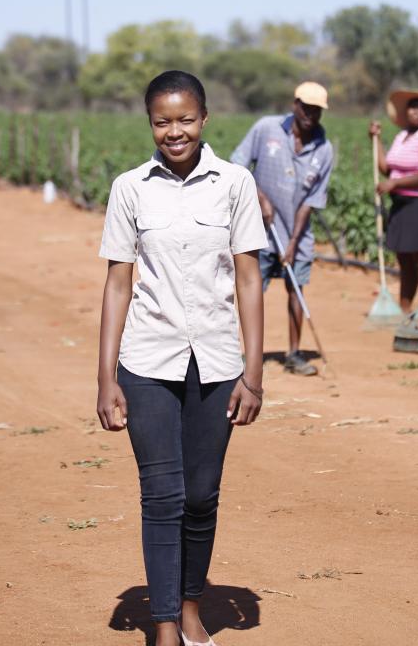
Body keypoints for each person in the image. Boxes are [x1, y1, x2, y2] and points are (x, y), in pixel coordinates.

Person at [96, 70, 266, 646]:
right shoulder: (130, 189)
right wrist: (105, 379)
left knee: (201, 494)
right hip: (147, 360)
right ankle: (166, 626)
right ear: (150, 123)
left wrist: (255, 375)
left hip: (217, 363)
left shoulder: (235, 184)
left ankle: (192, 607)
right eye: (162, 121)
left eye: (185, 119)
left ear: (205, 119)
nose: (175, 131)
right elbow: (119, 282)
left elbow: (249, 278)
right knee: (162, 494)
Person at [230, 81, 335, 376]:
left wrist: (291, 245)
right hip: (257, 231)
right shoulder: (266, 128)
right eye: (306, 107)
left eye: (317, 110)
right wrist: (260, 198)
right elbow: (237, 165)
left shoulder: (324, 150)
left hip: (297, 235)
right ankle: (241, 355)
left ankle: (293, 354)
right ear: (295, 104)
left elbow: (310, 202)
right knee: (251, 290)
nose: (310, 115)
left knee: (296, 291)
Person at [368, 89, 418, 321]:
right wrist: (375, 141)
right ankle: (404, 309)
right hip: (402, 204)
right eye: (412, 106)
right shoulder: (401, 136)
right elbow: (387, 168)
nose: (415, 111)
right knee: (405, 258)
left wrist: (395, 183)